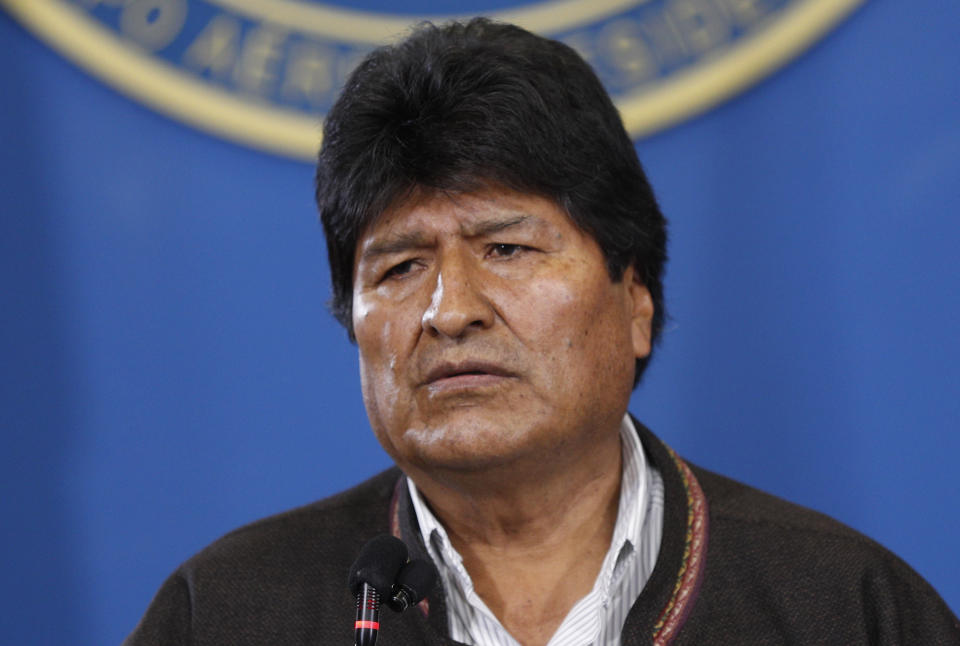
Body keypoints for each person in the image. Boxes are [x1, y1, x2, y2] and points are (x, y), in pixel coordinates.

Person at [124, 18, 959, 646]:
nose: (451, 310)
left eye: (507, 248)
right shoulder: (227, 612)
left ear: (635, 298)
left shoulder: (842, 606)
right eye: (400, 267)